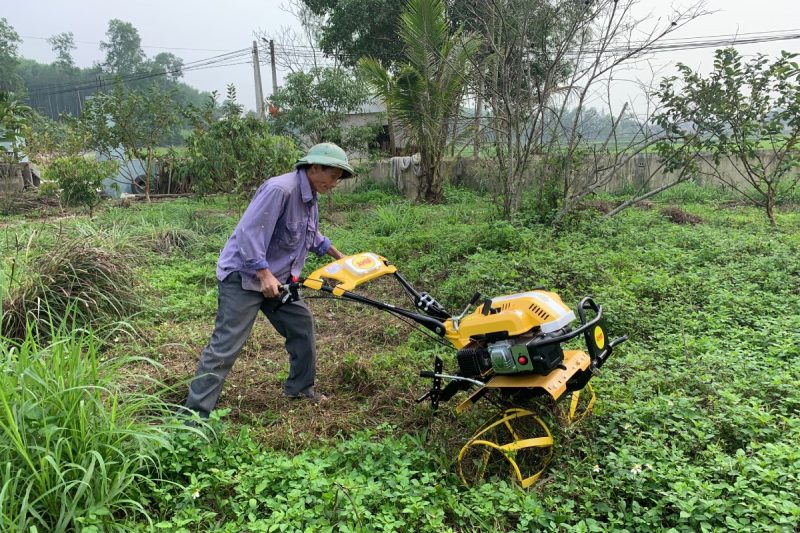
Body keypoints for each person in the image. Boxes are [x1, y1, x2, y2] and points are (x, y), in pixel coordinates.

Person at [185, 142, 354, 418]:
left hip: (277, 279)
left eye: (338, 178)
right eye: (334, 176)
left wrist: (341, 258)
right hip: (245, 277)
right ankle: (194, 416)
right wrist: (263, 273)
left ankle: (300, 390)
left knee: (301, 324)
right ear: (314, 168)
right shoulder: (280, 189)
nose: (335, 183)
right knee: (226, 345)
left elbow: (311, 235)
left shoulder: (309, 195)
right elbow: (248, 233)